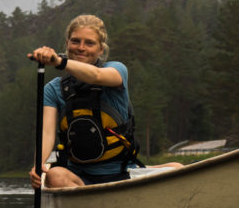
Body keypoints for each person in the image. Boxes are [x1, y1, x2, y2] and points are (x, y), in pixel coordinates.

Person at [29, 14, 176, 189]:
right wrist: (39, 165)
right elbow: (46, 133)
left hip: (123, 173)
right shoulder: (53, 89)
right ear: (67, 44)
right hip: (78, 177)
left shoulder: (117, 70)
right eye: (75, 41)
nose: (81, 48)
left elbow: (96, 75)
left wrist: (59, 62)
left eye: (89, 43)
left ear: (101, 49)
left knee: (178, 168)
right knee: (54, 175)